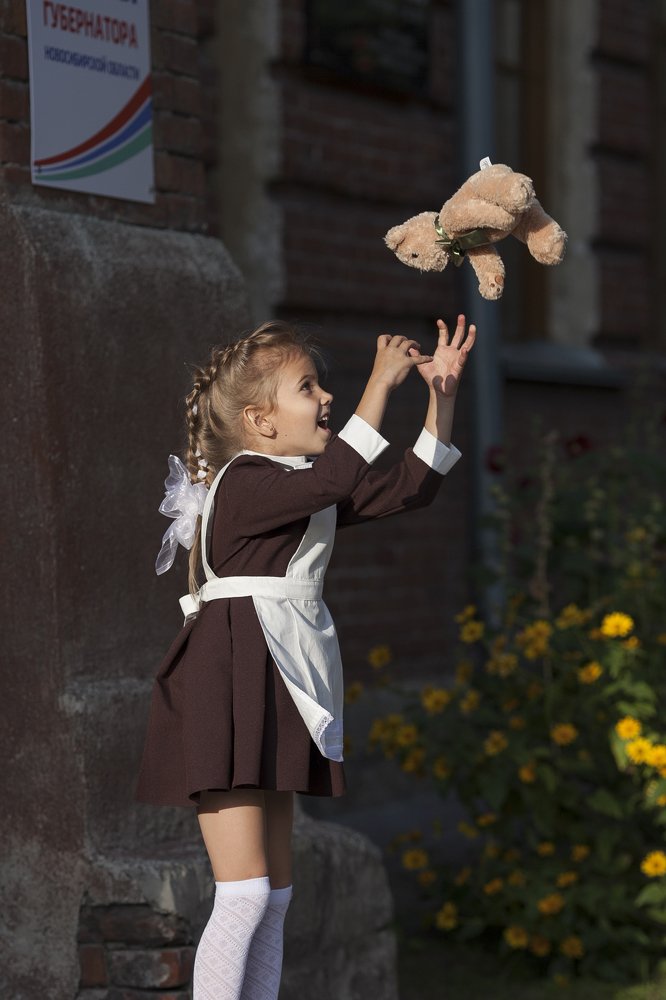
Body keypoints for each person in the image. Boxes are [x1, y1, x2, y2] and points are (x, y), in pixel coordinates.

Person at [136, 314, 476, 999]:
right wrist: (378, 384)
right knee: (243, 895)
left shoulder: (297, 484)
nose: (325, 397)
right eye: (308, 386)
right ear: (261, 421)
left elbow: (410, 484)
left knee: (276, 896)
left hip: (278, 683)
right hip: (229, 686)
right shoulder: (244, 484)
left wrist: (441, 396)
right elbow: (334, 479)